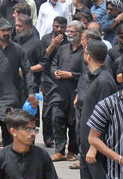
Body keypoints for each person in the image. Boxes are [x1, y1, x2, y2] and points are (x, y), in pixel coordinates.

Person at [0, 18, 38, 179]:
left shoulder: (17, 49)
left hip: (11, 99)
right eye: (3, 30)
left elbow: (27, 71)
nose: (7, 33)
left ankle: (10, 167)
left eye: (9, 30)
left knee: (9, 135)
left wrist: (31, 92)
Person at [79, 40, 117, 179]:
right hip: (86, 144)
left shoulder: (104, 81)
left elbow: (105, 117)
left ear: (88, 56)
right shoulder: (95, 78)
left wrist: (94, 147)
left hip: (96, 149)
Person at [50, 20, 84, 162]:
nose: (69, 34)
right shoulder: (63, 48)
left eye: (72, 32)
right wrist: (55, 72)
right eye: (68, 31)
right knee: (57, 119)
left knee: (74, 122)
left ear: (80, 34)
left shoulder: (84, 51)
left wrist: (71, 75)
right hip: (60, 91)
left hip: (75, 92)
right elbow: (53, 64)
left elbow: (86, 73)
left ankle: (72, 151)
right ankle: (59, 150)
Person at [0, 109, 58, 179]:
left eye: (34, 129)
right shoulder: (0, 158)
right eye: (27, 129)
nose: (33, 134)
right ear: (13, 131)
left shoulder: (42, 155)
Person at [40, 17, 69, 148]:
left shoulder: (68, 41)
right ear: (52, 26)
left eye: (62, 27)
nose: (59, 29)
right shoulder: (45, 39)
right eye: (57, 26)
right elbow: (42, 57)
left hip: (61, 77)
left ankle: (61, 138)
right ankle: (48, 137)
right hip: (47, 77)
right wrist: (53, 45)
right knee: (47, 108)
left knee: (59, 109)